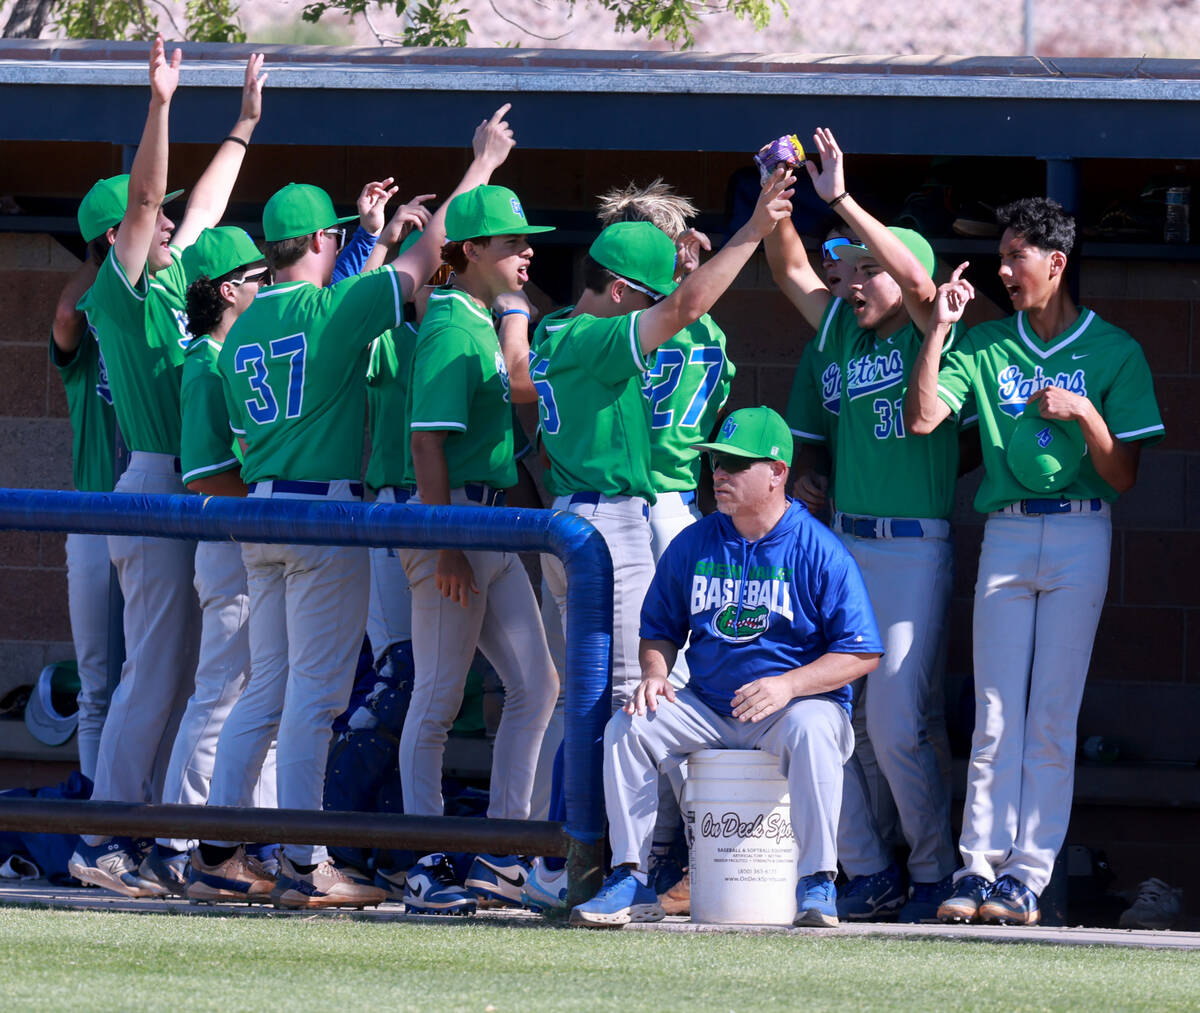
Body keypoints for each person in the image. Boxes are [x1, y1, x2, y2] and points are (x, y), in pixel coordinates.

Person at [205, 107, 517, 910]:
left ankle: (214, 846)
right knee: (314, 694)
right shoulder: (329, 311)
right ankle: (306, 863)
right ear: (318, 243)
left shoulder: (238, 332)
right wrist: (478, 164)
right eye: (331, 236)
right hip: (320, 513)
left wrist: (374, 241)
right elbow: (430, 255)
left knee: (266, 687)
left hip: (260, 510)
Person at [904, 197, 1165, 926]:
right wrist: (940, 330)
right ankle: (977, 865)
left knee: (1050, 713)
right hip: (1009, 531)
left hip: (1083, 528)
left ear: (1056, 263)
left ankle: (1027, 874)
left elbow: (1124, 476)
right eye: (1002, 257)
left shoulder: (1113, 348)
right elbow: (924, 416)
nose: (1005, 270)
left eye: (1017, 257)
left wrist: (1084, 411)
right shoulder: (987, 343)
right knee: (993, 712)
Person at [67, 39, 266, 897]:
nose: (169, 222)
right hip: (151, 480)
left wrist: (245, 124)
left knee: (185, 673)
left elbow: (201, 204)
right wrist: (161, 104)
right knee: (153, 668)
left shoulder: (174, 271)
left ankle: (152, 834)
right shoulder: (116, 287)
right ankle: (105, 835)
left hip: (186, 484)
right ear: (121, 235)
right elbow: (149, 193)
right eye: (152, 221)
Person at [568, 406, 882, 928]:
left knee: (814, 728)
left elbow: (861, 652)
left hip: (790, 708)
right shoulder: (696, 540)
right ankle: (629, 877)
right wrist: (653, 673)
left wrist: (790, 685)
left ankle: (818, 883)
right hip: (710, 705)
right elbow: (661, 629)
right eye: (716, 462)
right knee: (629, 723)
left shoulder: (820, 549)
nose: (720, 474)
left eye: (736, 465)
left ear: (777, 472)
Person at [764, 128, 961, 921]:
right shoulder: (840, 328)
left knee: (897, 721)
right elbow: (790, 271)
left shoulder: (926, 322)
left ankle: (935, 870)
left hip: (914, 548)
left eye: (868, 269)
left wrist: (840, 196)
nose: (854, 281)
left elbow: (917, 279)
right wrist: (778, 200)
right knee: (842, 716)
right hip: (847, 541)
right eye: (849, 269)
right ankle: (871, 867)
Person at [530, 169, 796, 720]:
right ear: (622, 285)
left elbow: (666, 309)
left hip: (571, 512)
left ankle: (561, 810)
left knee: (577, 695)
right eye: (645, 290)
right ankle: (625, 811)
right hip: (619, 513)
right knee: (643, 689)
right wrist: (748, 232)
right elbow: (680, 312)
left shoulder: (551, 327)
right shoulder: (603, 335)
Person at [397, 179, 559, 915]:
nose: (527, 252)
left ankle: (503, 849)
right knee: (436, 697)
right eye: (511, 242)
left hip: (486, 522)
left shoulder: (477, 319)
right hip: (452, 521)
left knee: (538, 683)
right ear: (470, 252)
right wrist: (446, 543)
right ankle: (423, 860)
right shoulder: (449, 324)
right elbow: (426, 442)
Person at [50, 249, 115, 782]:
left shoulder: (157, 322)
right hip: (95, 517)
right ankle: (99, 828)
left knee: (161, 682)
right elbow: (68, 315)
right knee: (98, 687)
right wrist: (101, 252)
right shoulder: (87, 337)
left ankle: (153, 827)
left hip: (159, 516)